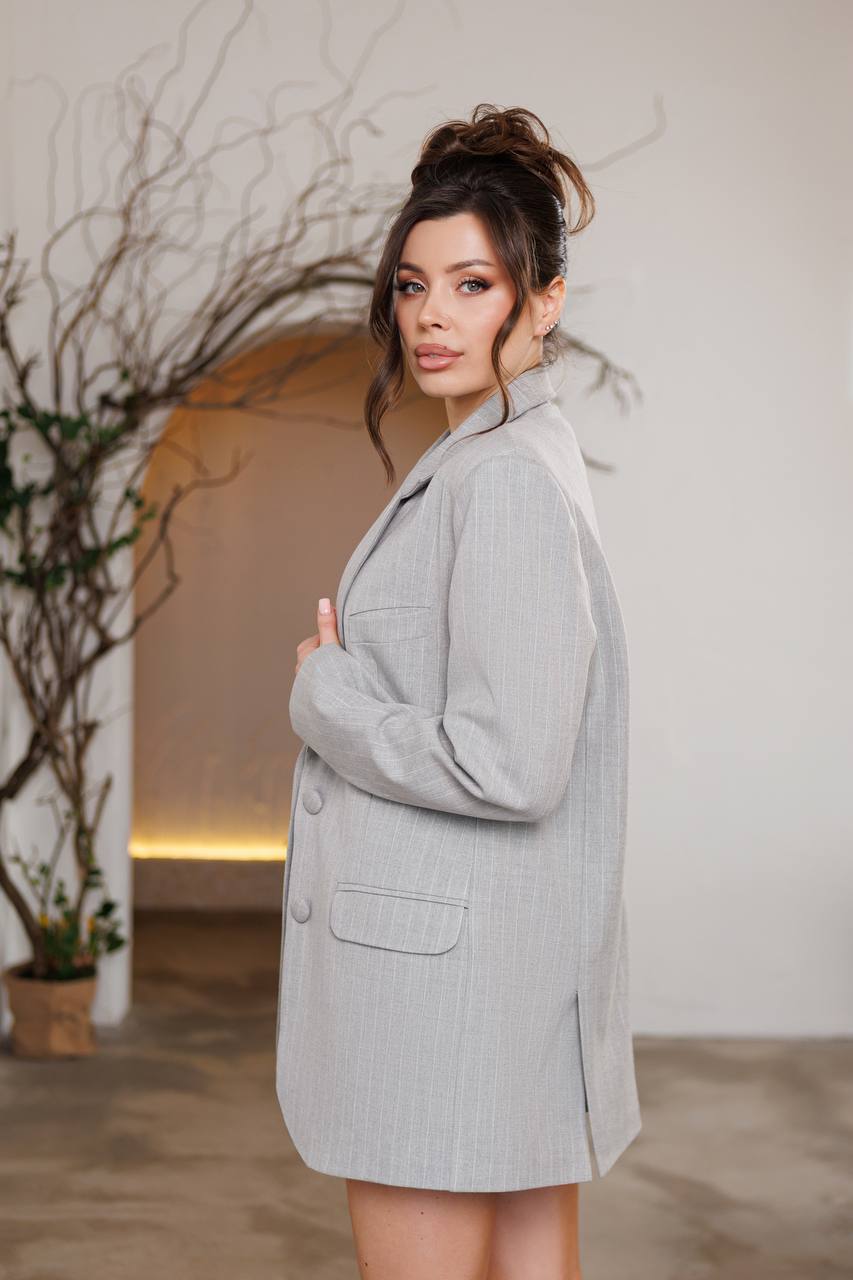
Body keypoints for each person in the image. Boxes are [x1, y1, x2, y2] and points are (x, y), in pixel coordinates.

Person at [275, 103, 642, 1280]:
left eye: (473, 283)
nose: (431, 315)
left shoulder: (505, 480)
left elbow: (512, 762)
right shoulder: (502, 455)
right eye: (412, 284)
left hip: (442, 998)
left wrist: (328, 698)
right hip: (491, 972)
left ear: (543, 301)